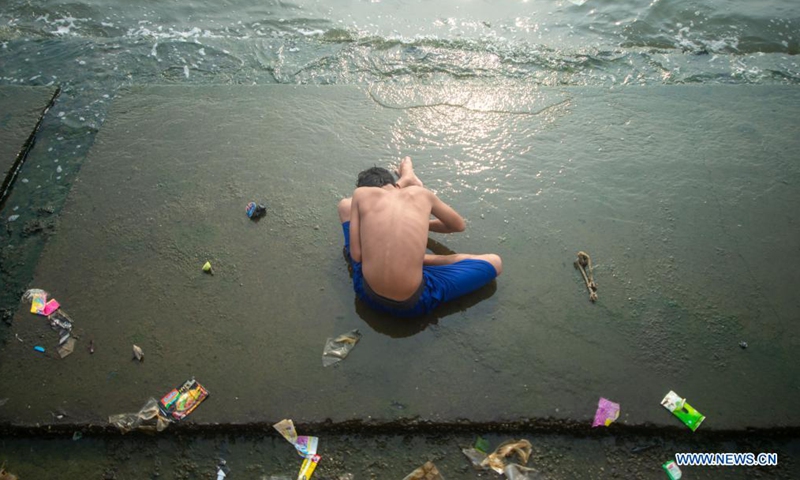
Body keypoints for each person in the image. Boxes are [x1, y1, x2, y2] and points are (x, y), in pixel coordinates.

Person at [337, 157, 502, 317]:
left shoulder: (359, 194)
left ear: (365, 187)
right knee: (495, 261)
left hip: (367, 294)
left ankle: (417, 258)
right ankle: (421, 259)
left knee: (344, 206)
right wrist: (420, 223)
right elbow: (458, 225)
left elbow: (357, 257)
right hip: (412, 305)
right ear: (395, 185)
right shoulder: (423, 195)